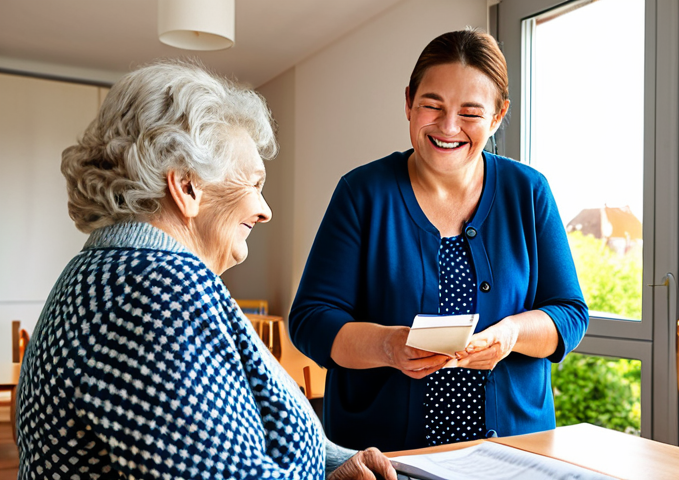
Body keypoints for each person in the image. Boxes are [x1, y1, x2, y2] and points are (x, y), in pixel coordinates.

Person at [16, 59, 396, 480]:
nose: (265, 210)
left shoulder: (110, 272)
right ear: (187, 187)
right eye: (254, 184)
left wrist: (334, 464)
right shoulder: (156, 290)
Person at [289, 29, 589, 452]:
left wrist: (510, 336)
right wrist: (389, 347)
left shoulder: (529, 191)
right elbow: (311, 320)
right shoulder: (361, 193)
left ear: (498, 116)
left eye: (470, 113)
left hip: (513, 453)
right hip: (384, 457)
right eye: (432, 105)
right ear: (409, 101)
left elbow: (570, 314)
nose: (448, 127)